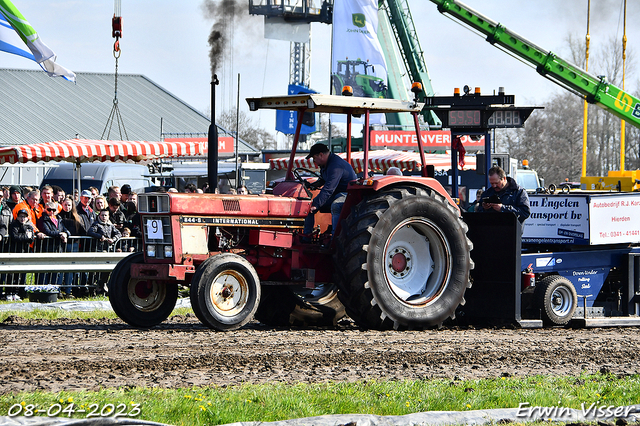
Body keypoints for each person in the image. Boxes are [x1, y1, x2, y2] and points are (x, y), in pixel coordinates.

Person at [303, 143, 357, 236]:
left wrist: (316, 204)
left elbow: (329, 188)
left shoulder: (336, 165)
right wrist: (311, 185)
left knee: (336, 206)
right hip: (336, 193)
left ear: (321, 155)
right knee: (308, 207)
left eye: (314, 158)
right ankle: (306, 237)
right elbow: (323, 180)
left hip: (347, 194)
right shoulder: (325, 165)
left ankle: (335, 238)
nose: (314, 161)